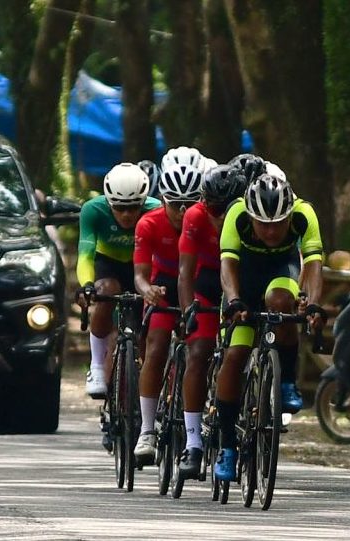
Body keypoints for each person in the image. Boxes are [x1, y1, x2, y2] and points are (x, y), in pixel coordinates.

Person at [213, 173, 326, 481]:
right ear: (251, 216)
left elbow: (314, 265)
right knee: (235, 355)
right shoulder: (236, 216)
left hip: (281, 271)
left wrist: (314, 304)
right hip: (243, 281)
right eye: (263, 223)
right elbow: (228, 266)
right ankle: (226, 446)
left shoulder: (305, 215)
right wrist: (234, 301)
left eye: (279, 222)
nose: (272, 230)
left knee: (281, 304)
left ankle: (287, 380)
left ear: (290, 214)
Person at [131, 147, 208, 466]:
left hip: (197, 285)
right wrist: (148, 290)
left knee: (201, 350)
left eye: (190, 203)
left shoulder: (207, 221)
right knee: (157, 344)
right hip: (164, 287)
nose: (182, 211)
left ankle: (199, 420)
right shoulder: (149, 223)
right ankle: (147, 430)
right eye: (175, 203)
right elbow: (139, 273)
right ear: (162, 198)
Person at [174, 163, 251, 477]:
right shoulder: (194, 215)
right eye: (213, 209)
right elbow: (184, 274)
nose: (218, 217)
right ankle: (192, 443)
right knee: (199, 350)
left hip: (240, 282)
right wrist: (188, 311)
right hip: (206, 283)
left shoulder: (249, 218)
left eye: (226, 209)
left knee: (241, 353)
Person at [78, 163, 163, 399]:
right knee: (105, 291)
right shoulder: (93, 210)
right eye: (119, 207)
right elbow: (85, 255)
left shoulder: (156, 210)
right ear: (108, 201)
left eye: (133, 207)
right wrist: (87, 286)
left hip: (142, 266)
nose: (126, 214)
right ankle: (96, 367)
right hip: (108, 264)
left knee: (146, 328)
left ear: (144, 201)